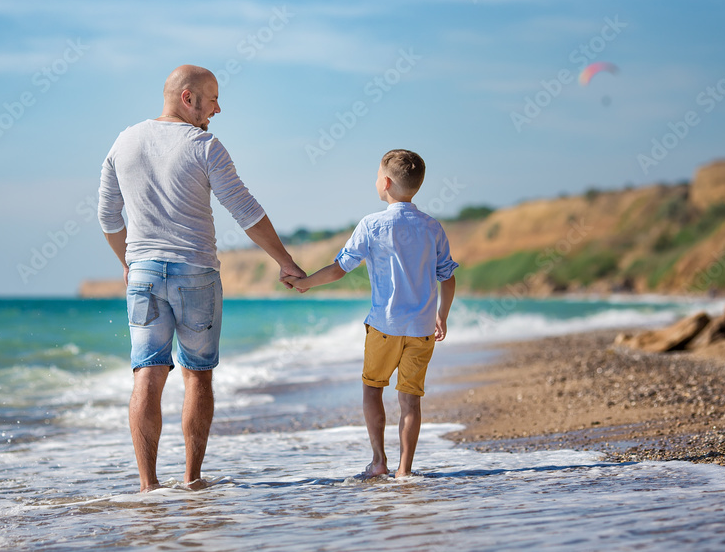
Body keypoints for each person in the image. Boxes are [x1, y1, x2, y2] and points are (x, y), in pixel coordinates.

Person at [98, 64, 305, 492]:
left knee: (147, 375)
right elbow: (245, 209)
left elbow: (107, 216)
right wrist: (284, 260)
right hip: (196, 272)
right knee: (197, 374)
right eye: (212, 99)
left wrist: (128, 263)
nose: (218, 108)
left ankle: (148, 488)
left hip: (143, 275)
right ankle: (192, 481)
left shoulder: (124, 141)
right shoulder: (204, 145)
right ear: (187, 97)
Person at [283, 149, 457, 478]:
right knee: (410, 400)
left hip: (384, 327)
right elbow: (447, 277)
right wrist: (442, 315)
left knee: (372, 388)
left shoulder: (372, 224)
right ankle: (405, 470)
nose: (376, 180)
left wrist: (306, 282)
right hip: (422, 329)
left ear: (386, 183)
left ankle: (379, 462)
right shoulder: (432, 227)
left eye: (378, 175)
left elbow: (339, 270)